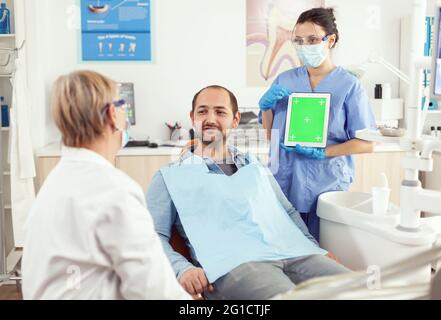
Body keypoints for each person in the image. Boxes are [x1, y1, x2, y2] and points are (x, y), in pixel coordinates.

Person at [146, 85, 350, 300]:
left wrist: (314, 247)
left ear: (235, 120)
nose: (210, 118)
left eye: (220, 112)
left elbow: (287, 211)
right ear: (192, 117)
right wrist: (182, 269)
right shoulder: (169, 176)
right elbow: (151, 235)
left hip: (294, 252)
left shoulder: (254, 165)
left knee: (360, 291)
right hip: (236, 264)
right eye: (202, 111)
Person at [21, 70, 190, 300]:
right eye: (122, 105)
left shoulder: (53, 184)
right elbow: (156, 291)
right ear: (112, 114)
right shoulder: (114, 190)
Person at [259, 7, 376, 241]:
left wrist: (324, 152)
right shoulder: (285, 80)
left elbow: (367, 143)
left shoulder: (348, 86)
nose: (305, 47)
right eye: (299, 41)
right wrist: (266, 108)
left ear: (330, 40)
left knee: (324, 251)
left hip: (327, 182)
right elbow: (272, 135)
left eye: (312, 39)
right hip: (286, 180)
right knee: (288, 251)